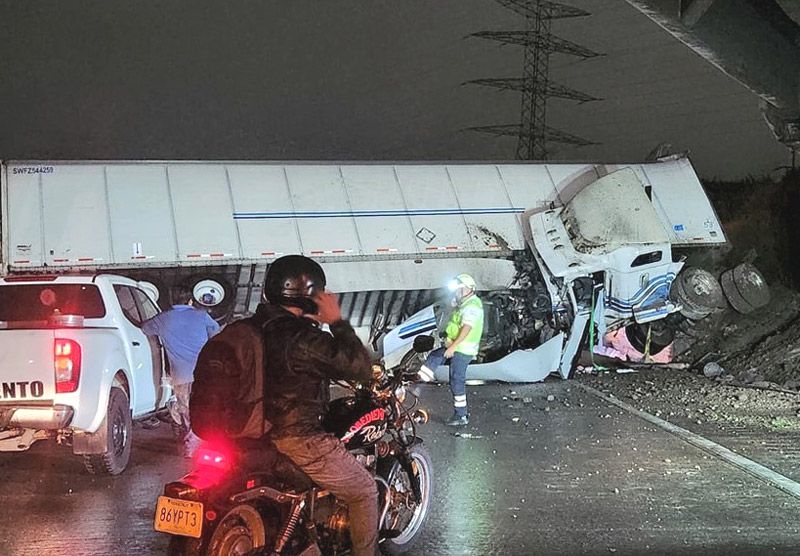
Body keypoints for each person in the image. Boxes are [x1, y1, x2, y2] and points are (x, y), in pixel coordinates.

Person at [257, 255, 378, 556]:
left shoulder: (255, 328)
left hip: (253, 430)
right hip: (297, 436)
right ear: (311, 295)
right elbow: (358, 366)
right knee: (364, 491)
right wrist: (335, 320)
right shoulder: (301, 338)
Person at [142, 284, 220, 457]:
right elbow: (216, 333)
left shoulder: (163, 319)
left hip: (181, 376)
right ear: (191, 300)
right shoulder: (201, 315)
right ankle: (202, 444)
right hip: (204, 374)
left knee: (187, 411)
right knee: (204, 408)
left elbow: (144, 329)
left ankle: (192, 445)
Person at [418, 273, 484, 426]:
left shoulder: (472, 306)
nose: (457, 292)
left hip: (462, 349)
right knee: (434, 357)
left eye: (459, 289)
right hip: (456, 345)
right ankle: (418, 384)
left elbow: (467, 328)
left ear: (468, 289)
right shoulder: (464, 302)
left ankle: (461, 415)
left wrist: (453, 347)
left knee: (456, 379)